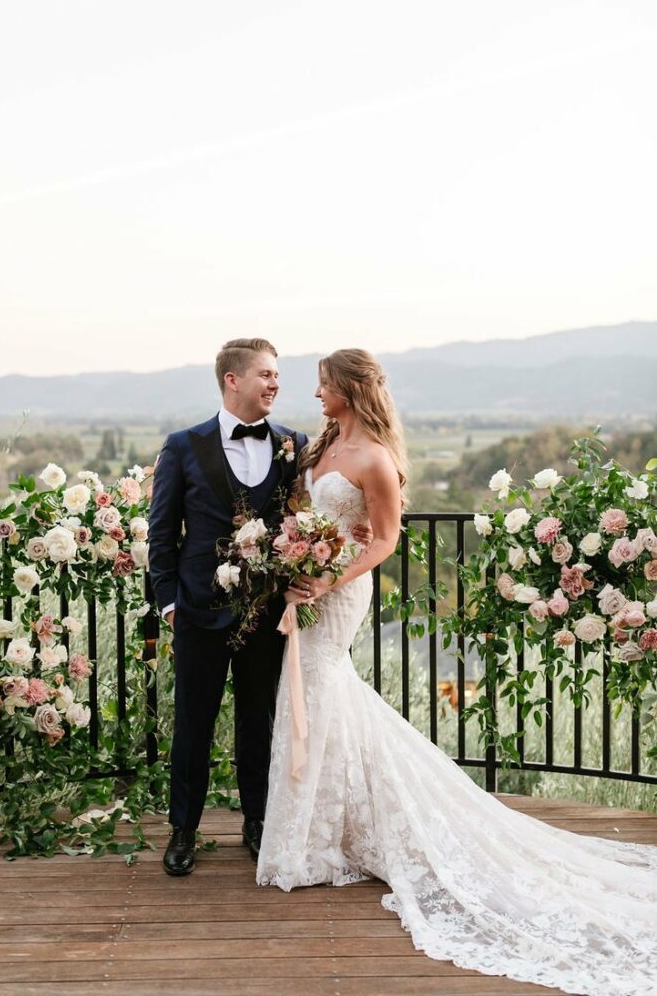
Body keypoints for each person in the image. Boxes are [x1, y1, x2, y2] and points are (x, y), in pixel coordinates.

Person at [257, 348, 657, 996]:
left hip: (339, 591)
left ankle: (317, 840)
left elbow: (384, 538)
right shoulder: (321, 446)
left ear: (350, 390)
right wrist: (290, 553)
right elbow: (306, 517)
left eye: (324, 385)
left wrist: (331, 574)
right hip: (307, 585)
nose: (315, 394)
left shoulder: (375, 460)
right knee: (316, 692)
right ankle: (322, 834)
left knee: (324, 683)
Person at [148, 338, 370, 876]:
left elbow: (317, 509)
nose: (276, 384)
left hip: (268, 613)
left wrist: (350, 535)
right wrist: (171, 605)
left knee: (260, 721)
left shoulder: (296, 445)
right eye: (266, 375)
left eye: (278, 376)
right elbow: (161, 534)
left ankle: (257, 824)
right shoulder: (182, 445)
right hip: (198, 612)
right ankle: (183, 830)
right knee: (192, 723)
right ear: (233, 380)